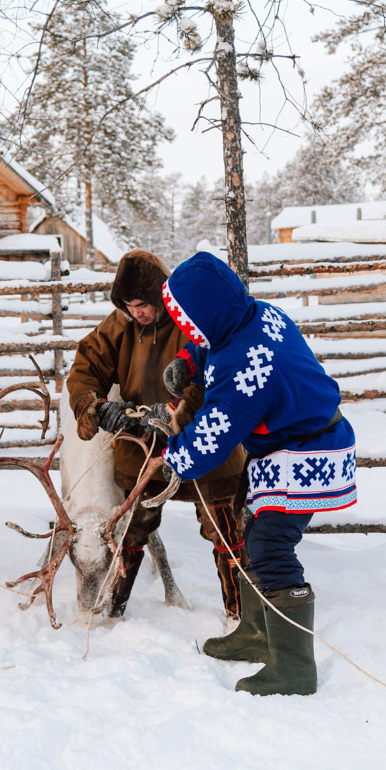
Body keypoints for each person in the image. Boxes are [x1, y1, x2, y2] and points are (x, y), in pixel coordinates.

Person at [153, 252, 357, 696]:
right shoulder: (257, 314)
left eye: (189, 321)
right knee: (251, 530)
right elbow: (217, 337)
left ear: (205, 312)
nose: (188, 328)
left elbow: (213, 436)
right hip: (287, 447)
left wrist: (171, 459)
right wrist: (190, 360)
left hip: (309, 451)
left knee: (270, 545)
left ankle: (294, 668)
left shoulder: (246, 367)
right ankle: (256, 632)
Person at [66, 250, 248, 619]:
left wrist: (175, 414)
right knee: (132, 534)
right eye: (129, 304)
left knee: (225, 532)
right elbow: (86, 364)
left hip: (205, 445)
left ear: (161, 295)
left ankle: (240, 617)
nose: (137, 312)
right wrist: (96, 407)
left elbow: (217, 376)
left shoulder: (192, 319)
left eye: (143, 304)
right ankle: (115, 611)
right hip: (142, 450)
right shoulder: (120, 326)